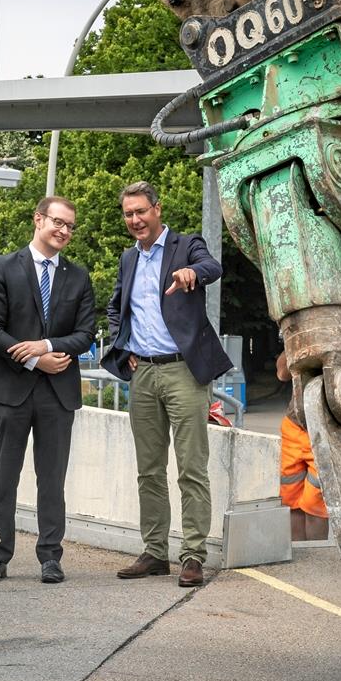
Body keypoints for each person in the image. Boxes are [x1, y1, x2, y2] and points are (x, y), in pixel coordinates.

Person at [101, 181, 232, 588]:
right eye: (128, 214)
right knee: (149, 471)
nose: (135, 220)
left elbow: (213, 267)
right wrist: (125, 350)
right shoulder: (127, 259)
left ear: (157, 209)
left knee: (192, 468)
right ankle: (155, 552)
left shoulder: (185, 244)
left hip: (182, 372)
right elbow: (115, 307)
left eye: (141, 211)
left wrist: (192, 272)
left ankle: (192, 556)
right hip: (143, 375)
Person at [0, 196, 96, 584]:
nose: (64, 231)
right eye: (57, 222)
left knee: (52, 478)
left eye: (70, 226)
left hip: (57, 392)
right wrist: (30, 360)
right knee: (4, 476)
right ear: (38, 219)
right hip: (8, 388)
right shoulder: (4, 268)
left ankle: (50, 557)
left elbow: (85, 334)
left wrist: (46, 347)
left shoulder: (78, 277)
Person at [275, 352, 328, 540]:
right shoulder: (303, 339)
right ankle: (298, 558)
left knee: (316, 505)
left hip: (325, 430)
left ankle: (315, 563)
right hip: (294, 426)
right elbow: (282, 372)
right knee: (290, 500)